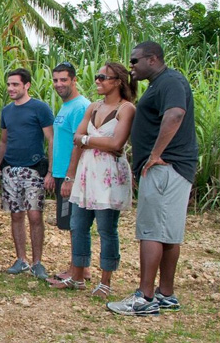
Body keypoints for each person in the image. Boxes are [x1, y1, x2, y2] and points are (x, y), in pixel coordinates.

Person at [108, 41, 198, 316]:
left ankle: (145, 298)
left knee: (151, 232)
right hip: (173, 167)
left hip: (165, 167)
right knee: (169, 234)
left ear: (153, 59)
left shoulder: (169, 81)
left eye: (135, 61)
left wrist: (155, 155)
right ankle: (166, 294)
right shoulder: (162, 83)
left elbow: (175, 114)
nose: (131, 67)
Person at [50, 62, 135, 299]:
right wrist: (71, 175)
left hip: (109, 176)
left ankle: (106, 281)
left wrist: (86, 140)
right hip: (86, 174)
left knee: (107, 229)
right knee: (78, 225)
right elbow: (76, 141)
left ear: (118, 81)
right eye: (97, 76)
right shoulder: (94, 107)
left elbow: (116, 143)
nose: (97, 80)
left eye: (103, 77)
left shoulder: (126, 108)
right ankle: (77, 276)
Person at [0, 68, 54, 279]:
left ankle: (38, 263)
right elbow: (3, 141)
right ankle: (21, 260)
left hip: (34, 169)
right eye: (9, 84)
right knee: (16, 215)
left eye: (15, 84)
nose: (10, 88)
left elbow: (51, 139)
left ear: (26, 85)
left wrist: (51, 173)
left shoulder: (40, 108)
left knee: (35, 215)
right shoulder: (7, 111)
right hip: (11, 168)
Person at [49, 62, 91, 281]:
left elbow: (80, 144)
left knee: (77, 223)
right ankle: (79, 267)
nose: (59, 84)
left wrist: (69, 176)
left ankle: (79, 270)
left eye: (64, 79)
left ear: (74, 80)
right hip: (60, 173)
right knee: (70, 222)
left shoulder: (80, 106)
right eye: (56, 80)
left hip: (72, 175)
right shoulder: (65, 106)